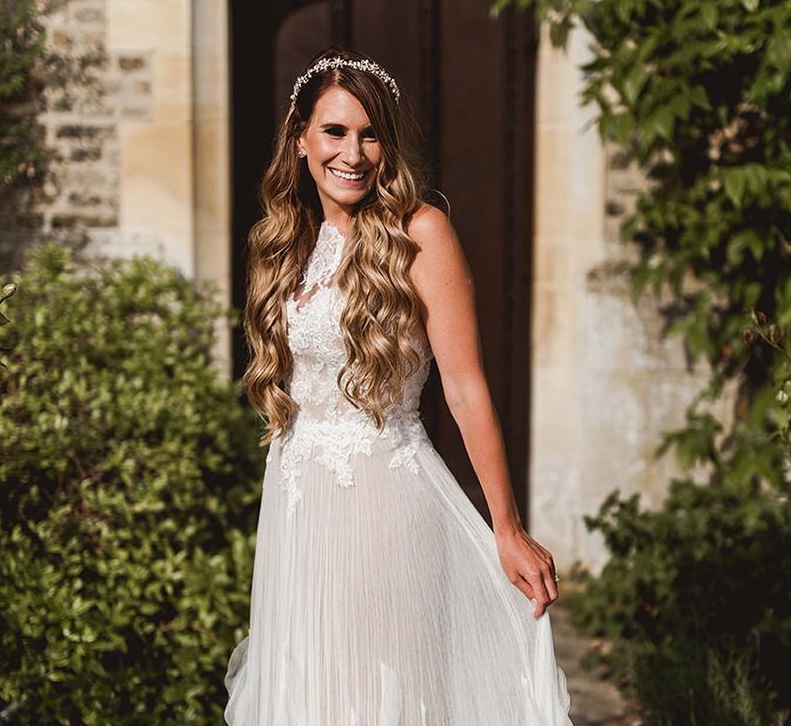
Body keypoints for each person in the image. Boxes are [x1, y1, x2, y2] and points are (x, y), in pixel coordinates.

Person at [225, 46, 573, 725]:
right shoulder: (286, 241)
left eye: (370, 133)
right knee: (312, 690)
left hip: (383, 498)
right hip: (296, 504)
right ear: (300, 140)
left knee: (384, 693)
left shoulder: (422, 232)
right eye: (334, 132)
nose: (352, 152)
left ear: (386, 145)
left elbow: (467, 387)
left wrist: (507, 526)